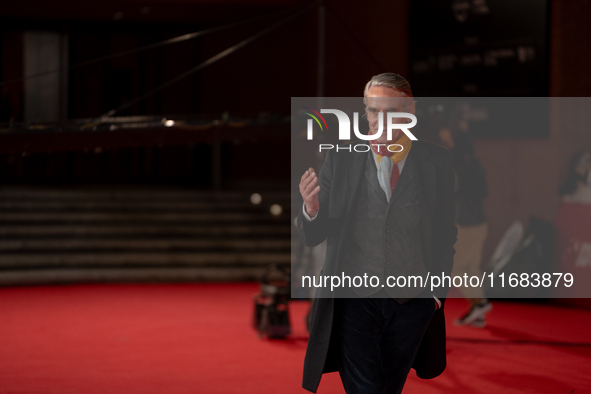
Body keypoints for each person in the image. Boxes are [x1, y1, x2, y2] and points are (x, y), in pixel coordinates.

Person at [297, 73, 457, 394]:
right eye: (373, 111)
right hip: (354, 299)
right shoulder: (341, 158)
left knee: (389, 388)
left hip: (412, 302)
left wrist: (436, 294)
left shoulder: (436, 162)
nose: (379, 120)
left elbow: (444, 233)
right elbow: (315, 235)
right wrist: (312, 209)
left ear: (410, 110)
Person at [439, 125, 492, 328]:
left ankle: (481, 304)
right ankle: (477, 313)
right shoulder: (475, 166)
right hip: (479, 224)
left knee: (456, 268)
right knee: (471, 268)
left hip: (467, 225)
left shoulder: (461, 167)